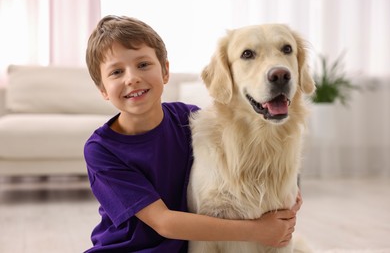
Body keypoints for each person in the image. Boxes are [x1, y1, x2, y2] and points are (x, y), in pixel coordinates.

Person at [84, 15, 302, 253]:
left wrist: (286, 189)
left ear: (165, 71)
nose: (132, 78)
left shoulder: (187, 119)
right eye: (116, 72)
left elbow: (241, 144)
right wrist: (259, 230)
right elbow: (163, 222)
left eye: (143, 65)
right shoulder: (101, 150)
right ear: (103, 90)